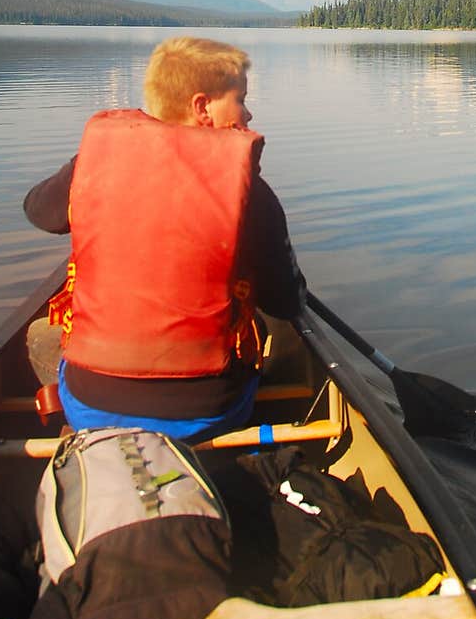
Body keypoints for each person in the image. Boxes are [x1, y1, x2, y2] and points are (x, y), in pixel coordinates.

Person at [22, 36, 307, 441]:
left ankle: (84, 431)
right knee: (279, 329)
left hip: (90, 406)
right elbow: (286, 301)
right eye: (240, 98)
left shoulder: (96, 163)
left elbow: (38, 211)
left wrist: (80, 167)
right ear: (202, 106)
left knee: (41, 334)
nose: (248, 111)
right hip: (208, 411)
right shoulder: (251, 192)